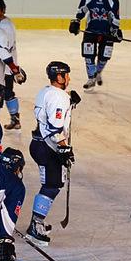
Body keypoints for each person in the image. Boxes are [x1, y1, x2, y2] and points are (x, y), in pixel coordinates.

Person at [26, 61, 80, 247]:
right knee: (52, 185)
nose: (69, 78)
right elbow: (54, 128)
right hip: (48, 147)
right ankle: (36, 225)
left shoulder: (46, 91)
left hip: (38, 144)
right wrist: (64, 148)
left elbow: (49, 110)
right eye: (67, 75)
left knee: (52, 183)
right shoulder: (59, 97)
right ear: (59, 77)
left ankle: (36, 222)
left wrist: (69, 101)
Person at [69, 0, 122, 89]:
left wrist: (116, 30)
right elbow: (81, 10)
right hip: (90, 31)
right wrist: (77, 21)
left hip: (107, 32)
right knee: (88, 55)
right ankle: (91, 78)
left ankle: (97, 72)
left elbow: (115, 17)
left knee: (104, 57)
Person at [0, 0, 22, 130]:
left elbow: (5, 49)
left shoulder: (6, 26)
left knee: (6, 92)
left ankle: (14, 119)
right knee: (3, 92)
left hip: (7, 67)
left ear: (3, 11)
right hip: (0, 66)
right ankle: (14, 120)